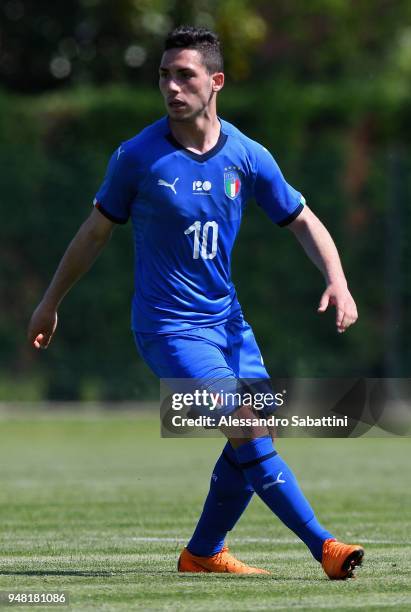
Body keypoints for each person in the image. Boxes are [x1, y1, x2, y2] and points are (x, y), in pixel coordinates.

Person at [28, 25, 364, 579]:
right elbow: (93, 234)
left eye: (184, 75)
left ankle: (203, 553)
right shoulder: (137, 157)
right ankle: (324, 547)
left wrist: (338, 279)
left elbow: (301, 219)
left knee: (253, 436)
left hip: (229, 325)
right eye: (164, 75)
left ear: (216, 82)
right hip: (168, 328)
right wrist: (50, 301)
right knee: (246, 422)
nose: (171, 86)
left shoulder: (247, 155)